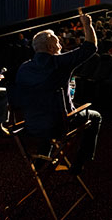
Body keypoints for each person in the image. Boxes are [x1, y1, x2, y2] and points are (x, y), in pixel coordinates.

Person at [15, 12, 101, 174]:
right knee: (96, 116)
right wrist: (87, 25)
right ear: (50, 47)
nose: (60, 45)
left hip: (31, 123)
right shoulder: (58, 62)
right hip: (58, 124)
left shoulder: (23, 67)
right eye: (57, 42)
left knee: (47, 109)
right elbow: (90, 47)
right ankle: (80, 163)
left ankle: (42, 161)